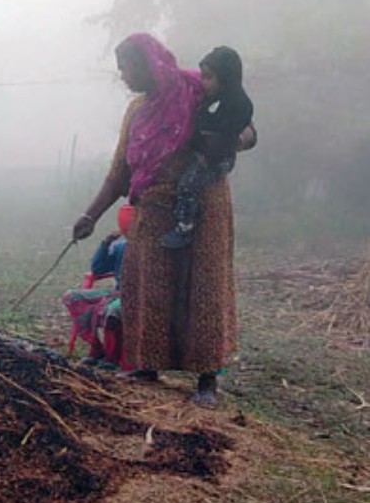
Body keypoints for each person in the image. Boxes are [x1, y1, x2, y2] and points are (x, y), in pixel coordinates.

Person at [71, 33, 254, 408]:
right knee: (148, 287)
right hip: (152, 211)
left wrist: (233, 141)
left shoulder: (196, 93)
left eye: (126, 66)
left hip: (203, 207)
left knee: (203, 288)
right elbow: (119, 173)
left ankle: (206, 379)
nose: (122, 75)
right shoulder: (137, 111)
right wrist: (90, 214)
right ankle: (147, 365)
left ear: (148, 64)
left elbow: (246, 126)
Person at [161, 46, 254, 249]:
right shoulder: (204, 99)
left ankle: (185, 226)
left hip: (215, 160)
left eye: (209, 77)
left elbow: (237, 135)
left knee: (188, 185)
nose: (204, 83)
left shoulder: (236, 104)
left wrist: (210, 156)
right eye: (203, 77)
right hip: (202, 156)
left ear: (226, 77)